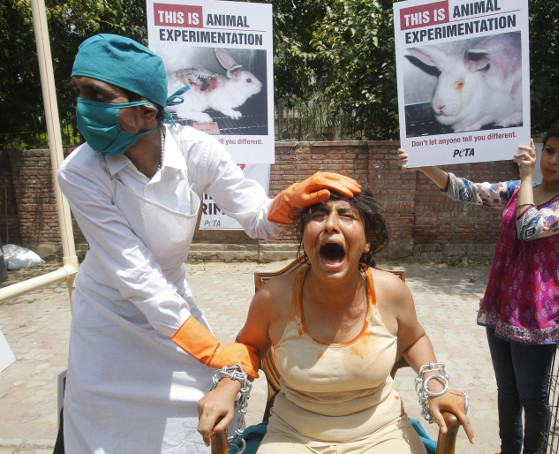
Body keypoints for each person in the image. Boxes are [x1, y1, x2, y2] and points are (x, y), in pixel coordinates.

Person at [56, 33, 361, 454]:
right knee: (102, 431)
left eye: (97, 95)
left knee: (198, 416)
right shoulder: (79, 171)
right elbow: (135, 275)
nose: (83, 107)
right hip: (108, 319)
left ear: (146, 112)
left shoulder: (196, 151)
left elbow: (258, 220)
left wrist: (289, 201)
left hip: (172, 306)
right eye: (80, 93)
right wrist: (210, 347)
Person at [196, 189, 475, 453]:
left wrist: (436, 384)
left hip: (382, 433)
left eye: (346, 215)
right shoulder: (274, 296)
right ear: (304, 238)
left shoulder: (391, 292)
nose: (330, 224)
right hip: (293, 434)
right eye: (318, 216)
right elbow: (249, 348)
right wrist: (225, 388)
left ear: (367, 242)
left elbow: (414, 339)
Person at [397, 115, 559, 454]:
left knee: (532, 397)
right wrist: (424, 164)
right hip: (502, 302)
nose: (552, 160)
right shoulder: (522, 189)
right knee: (506, 390)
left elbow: (529, 227)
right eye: (549, 150)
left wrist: (525, 177)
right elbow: (468, 191)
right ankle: (508, 449)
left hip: (537, 311)